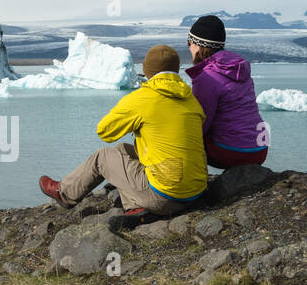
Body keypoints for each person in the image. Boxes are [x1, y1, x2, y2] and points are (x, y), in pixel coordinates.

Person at [39, 44, 207, 216]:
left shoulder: (142, 99)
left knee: (103, 157)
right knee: (121, 150)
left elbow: (104, 131)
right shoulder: (191, 99)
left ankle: (64, 193)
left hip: (166, 198)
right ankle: (135, 206)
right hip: (195, 193)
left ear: (148, 70)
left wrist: (132, 120)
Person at [184, 15, 269, 168]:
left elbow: (201, 123)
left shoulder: (207, 78)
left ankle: (188, 186)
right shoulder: (240, 69)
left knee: (181, 138)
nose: (189, 48)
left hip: (232, 154)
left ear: (198, 45)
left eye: (189, 43)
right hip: (260, 149)